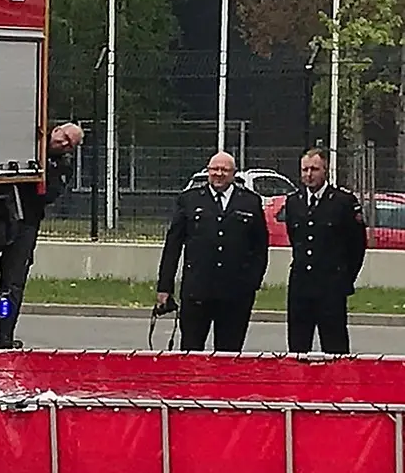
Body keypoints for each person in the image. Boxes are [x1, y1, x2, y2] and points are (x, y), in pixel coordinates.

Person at [0, 121, 84, 348]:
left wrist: (46, 170)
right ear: (55, 130)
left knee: (12, 284)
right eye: (65, 137)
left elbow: (48, 194)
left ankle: (4, 335)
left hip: (25, 226)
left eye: (70, 144)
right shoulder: (29, 139)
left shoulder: (62, 165)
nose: (64, 144)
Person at [156, 151, 269, 352]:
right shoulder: (189, 200)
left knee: (229, 354)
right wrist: (165, 287)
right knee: (191, 351)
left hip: (235, 294)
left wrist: (252, 283)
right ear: (207, 171)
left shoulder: (250, 202)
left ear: (234, 174)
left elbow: (260, 247)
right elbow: (173, 245)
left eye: (224, 170)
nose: (219, 174)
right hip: (197, 291)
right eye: (214, 169)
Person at [277, 149, 368, 355]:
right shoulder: (294, 202)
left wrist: (344, 280)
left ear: (325, 170)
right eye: (305, 170)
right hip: (301, 287)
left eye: (314, 169)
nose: (309, 174)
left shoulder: (343, 201)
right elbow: (296, 239)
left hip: (331, 288)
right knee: (298, 349)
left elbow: (356, 247)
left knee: (335, 349)